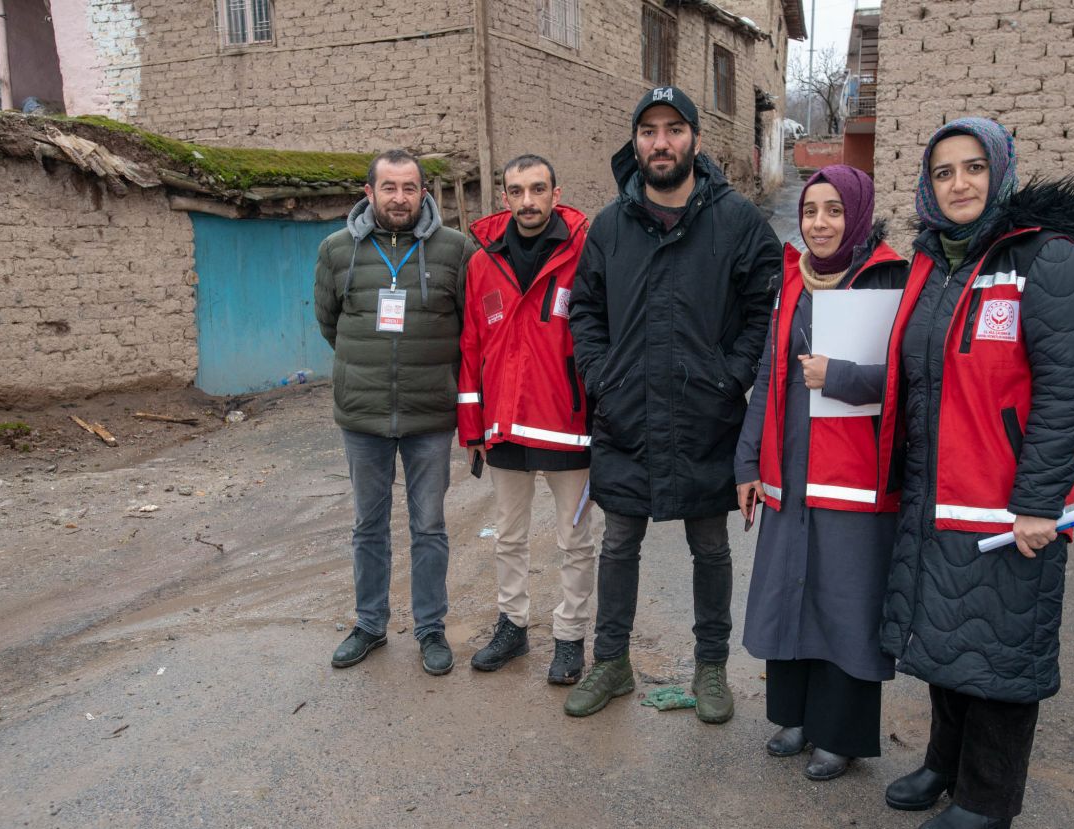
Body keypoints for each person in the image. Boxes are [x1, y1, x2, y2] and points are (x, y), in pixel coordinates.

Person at [878, 118, 1074, 829]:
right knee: (951, 641)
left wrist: (1040, 503)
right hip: (938, 494)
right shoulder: (939, 264)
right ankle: (945, 766)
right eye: (944, 171)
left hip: (1008, 505)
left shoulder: (1047, 261)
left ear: (1002, 172)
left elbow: (1065, 392)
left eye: (974, 167)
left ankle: (988, 800)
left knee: (1003, 656)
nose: (959, 183)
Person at [564, 86, 782, 722]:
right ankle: (612, 663)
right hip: (627, 413)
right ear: (635, 142)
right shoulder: (609, 226)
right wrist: (602, 374)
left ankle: (710, 668)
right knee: (618, 545)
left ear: (695, 139)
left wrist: (729, 374)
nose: (661, 142)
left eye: (674, 129)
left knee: (710, 548)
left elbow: (764, 308)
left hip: (705, 415)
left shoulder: (737, 221)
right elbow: (584, 309)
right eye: (650, 130)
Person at [734, 165, 907, 781]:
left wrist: (839, 377)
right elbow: (768, 377)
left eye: (834, 210)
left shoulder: (892, 279)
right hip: (791, 468)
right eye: (810, 211)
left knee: (846, 599)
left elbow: (914, 385)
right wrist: (749, 463)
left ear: (857, 212)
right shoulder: (790, 282)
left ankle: (842, 734)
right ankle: (796, 716)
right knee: (791, 589)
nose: (821, 223)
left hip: (855, 474)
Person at [314, 149, 471, 676]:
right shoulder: (338, 251)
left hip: (430, 415)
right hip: (363, 414)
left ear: (423, 193)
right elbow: (329, 323)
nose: (399, 198)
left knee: (429, 527)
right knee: (368, 526)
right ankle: (370, 625)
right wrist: (369, 368)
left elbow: (470, 329)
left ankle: (430, 629)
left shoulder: (455, 250)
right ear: (369, 193)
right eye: (389, 187)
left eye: (409, 188)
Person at [457, 154, 596, 684]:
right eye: (516, 191)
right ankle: (512, 626)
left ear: (556, 193)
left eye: (538, 189)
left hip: (568, 424)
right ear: (506, 196)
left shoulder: (584, 251)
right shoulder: (482, 262)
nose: (528, 201)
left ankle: (569, 637)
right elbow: (471, 349)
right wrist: (472, 427)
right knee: (509, 536)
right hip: (505, 425)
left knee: (575, 540)